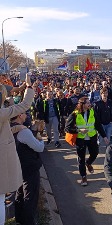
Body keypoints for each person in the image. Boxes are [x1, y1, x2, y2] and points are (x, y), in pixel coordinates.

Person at [0, 75, 34, 225]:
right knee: (0, 198)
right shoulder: (2, 113)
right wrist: (29, 87)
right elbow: (25, 105)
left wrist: (15, 128)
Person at [65, 97, 108, 186]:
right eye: (87, 103)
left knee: (95, 153)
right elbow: (67, 128)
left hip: (92, 137)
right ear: (82, 104)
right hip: (81, 139)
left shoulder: (92, 111)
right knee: (81, 159)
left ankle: (88, 163)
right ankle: (83, 177)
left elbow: (98, 125)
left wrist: (104, 136)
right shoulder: (75, 114)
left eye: (89, 102)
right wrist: (79, 131)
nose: (90, 104)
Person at [11, 111, 45, 225]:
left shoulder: (9, 128)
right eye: (25, 113)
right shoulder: (24, 132)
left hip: (17, 166)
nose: (27, 115)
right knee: (30, 196)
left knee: (19, 194)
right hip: (29, 167)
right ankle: (29, 221)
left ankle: (19, 220)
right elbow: (39, 147)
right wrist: (40, 137)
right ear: (20, 115)